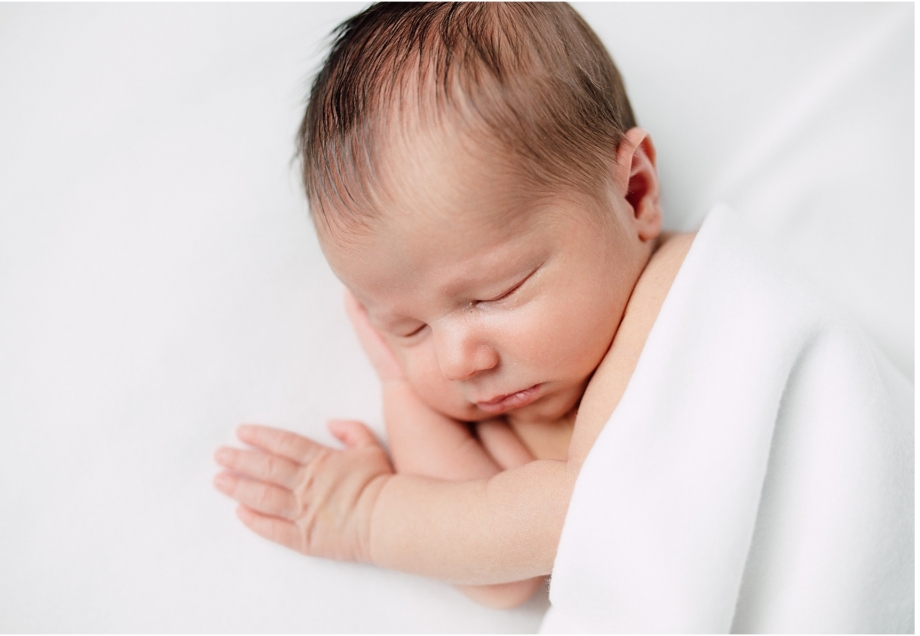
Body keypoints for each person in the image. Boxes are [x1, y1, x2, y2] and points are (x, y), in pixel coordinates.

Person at [213, 3, 913, 627]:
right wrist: (404, 392)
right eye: (409, 327)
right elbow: (498, 571)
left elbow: (575, 512)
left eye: (494, 292)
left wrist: (369, 515)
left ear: (634, 193)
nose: (461, 359)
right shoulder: (523, 424)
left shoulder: (682, 297)